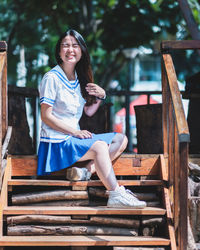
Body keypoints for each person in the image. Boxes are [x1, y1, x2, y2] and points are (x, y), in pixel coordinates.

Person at [37, 29, 146, 208]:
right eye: (65, 45)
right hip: (56, 143)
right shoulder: (51, 78)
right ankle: (115, 193)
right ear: (59, 52)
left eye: (75, 45)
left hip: (71, 138)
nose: (70, 49)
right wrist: (76, 132)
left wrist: (103, 95)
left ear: (81, 51)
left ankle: (84, 171)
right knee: (100, 146)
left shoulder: (78, 79)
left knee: (120, 139)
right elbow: (45, 116)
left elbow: (87, 112)